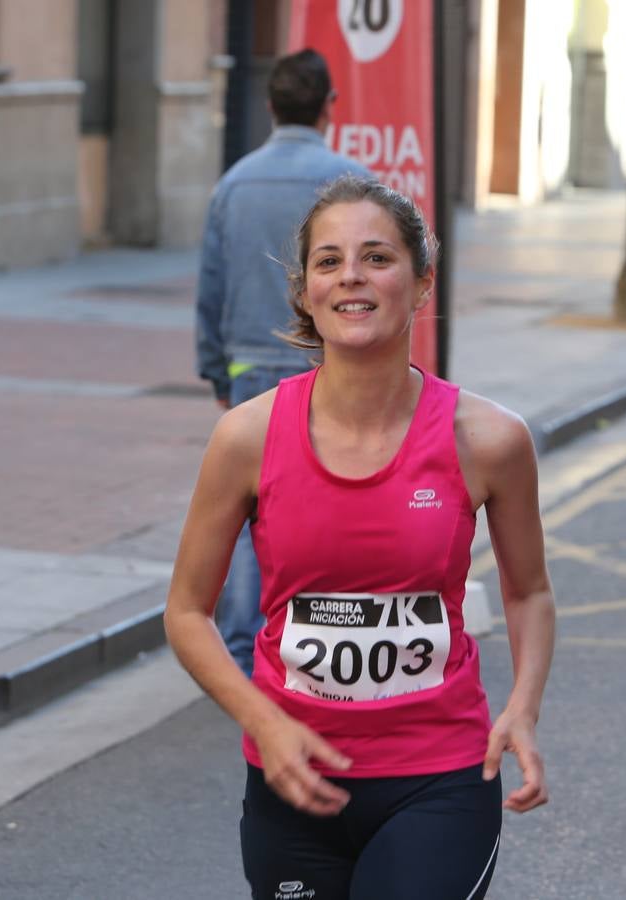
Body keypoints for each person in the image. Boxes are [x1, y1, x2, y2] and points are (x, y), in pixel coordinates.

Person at [167, 176, 555, 899]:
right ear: (306, 290)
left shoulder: (491, 440)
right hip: (293, 780)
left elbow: (528, 590)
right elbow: (186, 612)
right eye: (328, 260)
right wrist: (265, 723)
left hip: (438, 777)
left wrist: (523, 708)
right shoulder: (245, 438)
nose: (351, 275)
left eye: (377, 257)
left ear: (423, 282)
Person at [195, 48, 371, 677]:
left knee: (246, 508)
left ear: (269, 106)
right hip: (329, 367)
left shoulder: (235, 182)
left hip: (247, 367)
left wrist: (217, 369)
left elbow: (210, 287)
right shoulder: (352, 184)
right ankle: (311, 642)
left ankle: (244, 653)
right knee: (327, 505)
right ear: (329, 106)